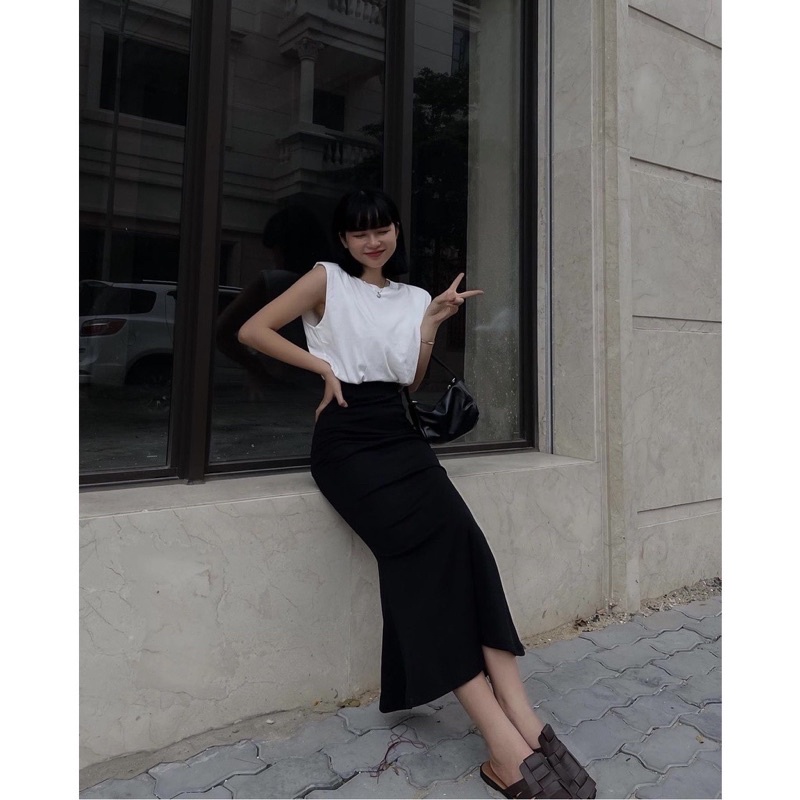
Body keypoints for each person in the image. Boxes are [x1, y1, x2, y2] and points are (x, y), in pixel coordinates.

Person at [238, 188, 596, 799]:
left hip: (401, 436)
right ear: (343, 240)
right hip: (348, 441)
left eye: (382, 229)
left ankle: (524, 717)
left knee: (467, 544)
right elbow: (253, 329)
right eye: (358, 232)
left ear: (397, 231)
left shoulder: (412, 298)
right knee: (420, 567)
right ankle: (502, 745)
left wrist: (430, 324)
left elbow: (410, 378)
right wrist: (322, 368)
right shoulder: (327, 280)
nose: (372, 241)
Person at [215, 205, 331, 396]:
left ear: (283, 248)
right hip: (323, 390)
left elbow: (222, 332)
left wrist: (258, 370)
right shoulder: (334, 283)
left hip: (282, 390)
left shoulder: (274, 283)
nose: (273, 258)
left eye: (275, 250)